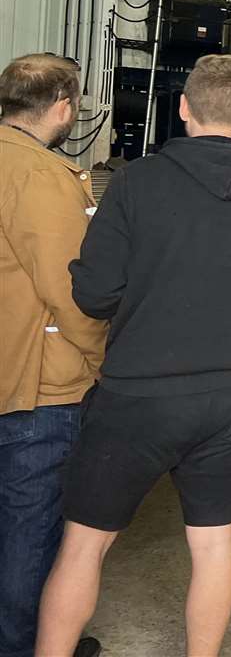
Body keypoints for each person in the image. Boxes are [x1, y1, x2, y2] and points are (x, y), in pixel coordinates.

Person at [36, 54, 231, 657]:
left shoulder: (138, 181)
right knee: (215, 545)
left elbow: (92, 295)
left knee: (84, 545)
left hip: (136, 394)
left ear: (184, 108)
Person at [0, 54, 108, 657]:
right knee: (30, 533)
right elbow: (73, 291)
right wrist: (98, 359)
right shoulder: (42, 176)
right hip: (35, 388)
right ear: (64, 107)